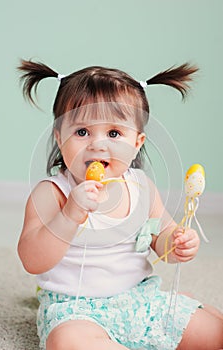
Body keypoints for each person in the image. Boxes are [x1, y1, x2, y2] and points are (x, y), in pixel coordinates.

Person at [17, 60, 223, 350]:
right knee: (67, 343)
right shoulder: (52, 194)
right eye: (82, 132)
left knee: (214, 334)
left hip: (139, 301)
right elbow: (32, 259)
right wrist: (69, 215)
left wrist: (177, 243)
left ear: (137, 143)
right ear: (59, 137)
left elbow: (160, 237)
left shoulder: (141, 188)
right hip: (78, 312)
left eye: (114, 134)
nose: (98, 145)